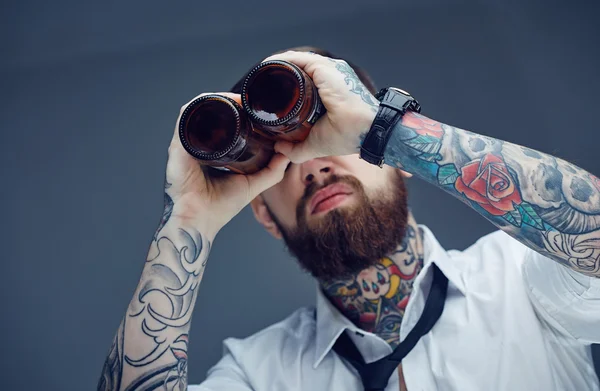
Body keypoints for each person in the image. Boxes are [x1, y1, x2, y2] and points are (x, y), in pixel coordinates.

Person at [97, 46, 600, 391]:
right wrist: (188, 217)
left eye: (326, 136)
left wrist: (387, 131)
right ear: (263, 214)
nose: (313, 163)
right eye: (282, 159)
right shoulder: (259, 373)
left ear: (397, 163)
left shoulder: (521, 276)